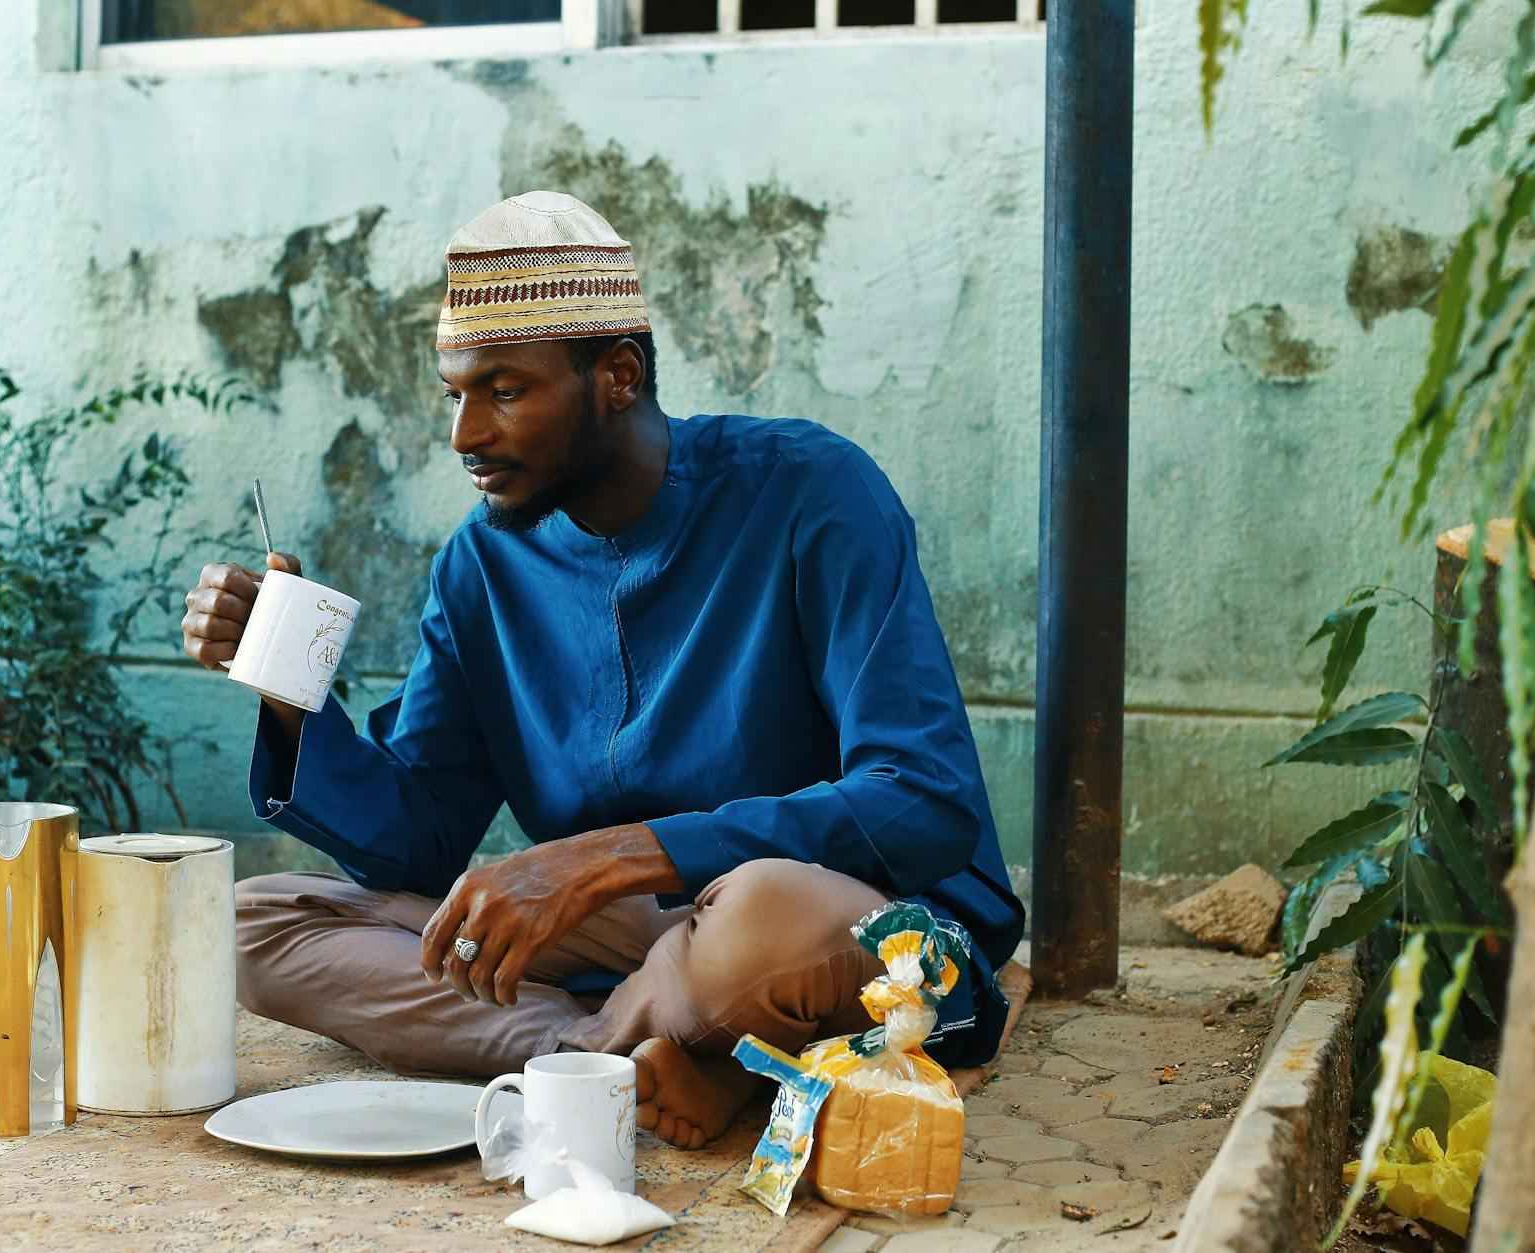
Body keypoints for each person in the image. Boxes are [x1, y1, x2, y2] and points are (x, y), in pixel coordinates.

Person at [181, 191, 1027, 1149]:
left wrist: (601, 859)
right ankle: (617, 1052)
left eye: (503, 390)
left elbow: (923, 800)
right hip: (641, 937)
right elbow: (420, 842)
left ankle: (631, 1041)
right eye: (454, 392)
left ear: (617, 376)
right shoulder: (481, 567)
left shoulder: (812, 493)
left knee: (768, 914)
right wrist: (292, 702)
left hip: (863, 933)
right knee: (257, 927)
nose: (465, 434)